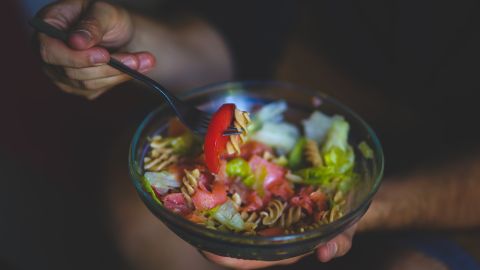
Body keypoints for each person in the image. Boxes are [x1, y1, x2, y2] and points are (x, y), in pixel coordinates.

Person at [35, 1, 480, 269]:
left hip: (458, 180)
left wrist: (355, 210)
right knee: (132, 200)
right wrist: (136, 42)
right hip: (324, 100)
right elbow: (235, 41)